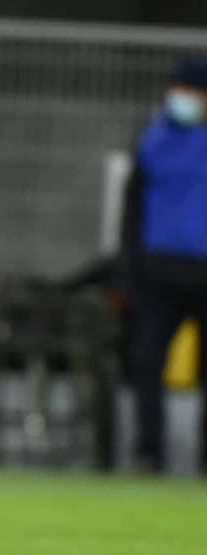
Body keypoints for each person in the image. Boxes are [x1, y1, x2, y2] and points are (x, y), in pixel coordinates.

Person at [121, 55, 207, 475]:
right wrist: (130, 267)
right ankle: (149, 452)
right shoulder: (153, 138)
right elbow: (132, 206)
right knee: (146, 362)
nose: (181, 98)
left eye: (190, 90)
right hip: (158, 272)